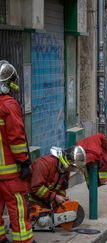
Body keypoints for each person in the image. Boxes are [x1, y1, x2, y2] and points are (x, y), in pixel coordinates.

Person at [0, 61, 33, 243]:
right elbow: (16, 138)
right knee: (18, 208)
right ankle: (23, 240)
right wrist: (24, 162)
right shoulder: (8, 105)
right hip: (10, 173)